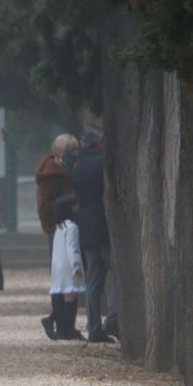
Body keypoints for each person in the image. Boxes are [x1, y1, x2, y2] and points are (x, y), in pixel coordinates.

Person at [73, 127, 116, 343]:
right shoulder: (102, 164)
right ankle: (114, 320)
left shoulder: (78, 167)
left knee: (94, 281)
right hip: (103, 225)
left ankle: (93, 327)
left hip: (87, 227)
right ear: (96, 144)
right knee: (115, 271)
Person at [42, 194, 85, 341]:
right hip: (68, 266)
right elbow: (72, 249)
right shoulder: (72, 227)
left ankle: (61, 328)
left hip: (58, 266)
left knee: (64, 297)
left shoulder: (59, 228)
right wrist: (76, 266)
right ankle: (66, 327)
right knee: (71, 297)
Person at [35, 133, 79, 251]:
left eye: (76, 150)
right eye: (70, 151)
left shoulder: (74, 169)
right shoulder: (50, 174)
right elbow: (45, 206)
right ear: (59, 152)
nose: (74, 154)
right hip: (59, 227)